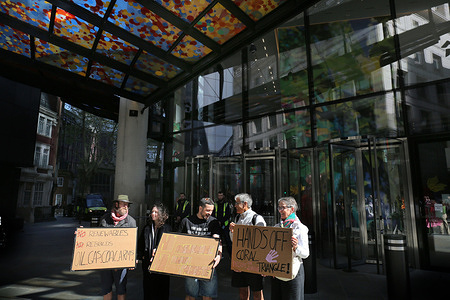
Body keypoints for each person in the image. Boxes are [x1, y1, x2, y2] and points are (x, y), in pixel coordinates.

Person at [179, 197, 222, 300]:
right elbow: (178, 241)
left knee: (208, 295)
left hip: (208, 264)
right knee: (190, 295)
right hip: (190, 264)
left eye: (211, 210)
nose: (210, 213)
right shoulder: (186, 221)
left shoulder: (214, 222)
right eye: (207, 210)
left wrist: (219, 256)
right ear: (200, 208)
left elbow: (218, 241)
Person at [99, 194, 137, 300]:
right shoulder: (105, 219)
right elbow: (96, 239)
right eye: (123, 204)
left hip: (121, 263)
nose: (126, 207)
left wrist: (132, 259)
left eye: (127, 205)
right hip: (105, 262)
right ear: (116, 205)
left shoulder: (131, 222)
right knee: (106, 289)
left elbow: (133, 243)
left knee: (121, 289)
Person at [271, 197, 309, 300]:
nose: (280, 210)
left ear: (292, 209)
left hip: (293, 272)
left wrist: (296, 247)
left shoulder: (300, 228)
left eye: (283, 207)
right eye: (279, 208)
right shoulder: (277, 227)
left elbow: (305, 253)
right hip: (278, 272)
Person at [229, 193, 266, 300]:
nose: (235, 206)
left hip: (254, 261)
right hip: (241, 260)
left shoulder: (257, 218)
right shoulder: (237, 218)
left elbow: (262, 240)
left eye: (237, 203)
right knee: (242, 291)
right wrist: (232, 231)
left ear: (245, 204)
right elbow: (234, 240)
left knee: (257, 292)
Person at [137, 203, 172, 300]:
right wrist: (140, 256)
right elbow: (141, 243)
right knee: (148, 289)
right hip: (148, 264)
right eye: (152, 211)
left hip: (162, 266)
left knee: (161, 290)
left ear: (161, 214)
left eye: (156, 212)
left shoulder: (167, 228)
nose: (153, 214)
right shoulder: (147, 227)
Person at [213, 191, 233, 256]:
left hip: (225, 224)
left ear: (223, 196)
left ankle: (231, 255)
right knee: (217, 240)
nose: (220, 197)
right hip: (217, 224)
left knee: (227, 240)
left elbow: (228, 214)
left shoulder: (226, 204)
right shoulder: (215, 204)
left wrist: (222, 221)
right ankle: (217, 255)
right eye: (219, 195)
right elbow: (213, 214)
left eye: (221, 195)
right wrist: (217, 221)